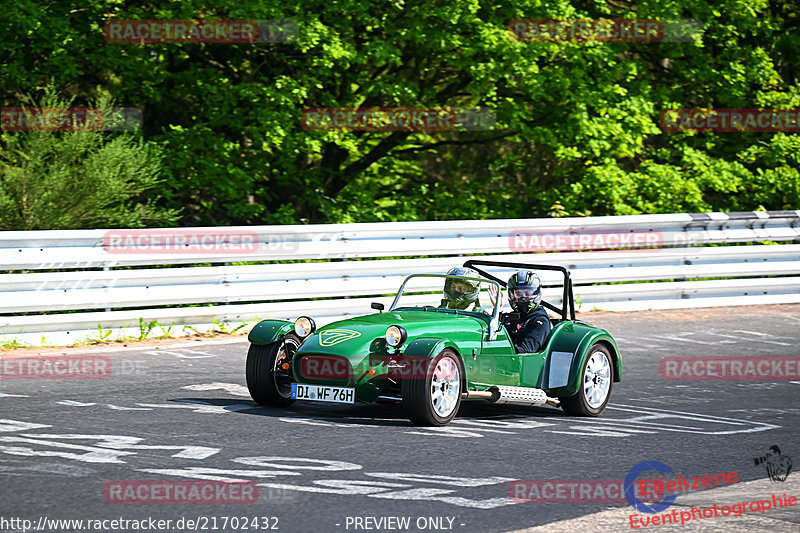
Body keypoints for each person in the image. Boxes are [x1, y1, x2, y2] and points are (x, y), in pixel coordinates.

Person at [503, 270, 552, 353]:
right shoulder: (511, 318)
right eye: (518, 294)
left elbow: (525, 351)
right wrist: (497, 311)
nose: (523, 297)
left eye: (527, 293)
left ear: (535, 293)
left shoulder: (540, 321)